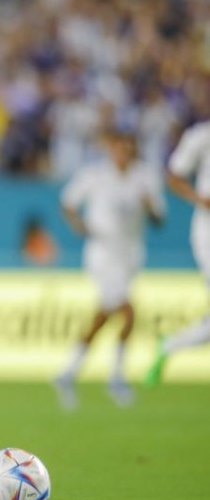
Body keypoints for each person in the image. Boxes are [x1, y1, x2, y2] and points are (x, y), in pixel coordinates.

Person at [53, 130, 165, 409]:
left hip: (130, 256)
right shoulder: (95, 175)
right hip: (102, 255)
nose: (122, 153)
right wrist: (80, 227)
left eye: (127, 148)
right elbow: (67, 202)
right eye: (117, 148)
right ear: (111, 149)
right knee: (128, 312)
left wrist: (150, 207)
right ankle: (116, 376)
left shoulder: (145, 177)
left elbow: (159, 219)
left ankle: (67, 372)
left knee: (103, 316)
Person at [145, 121, 210, 387]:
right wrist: (200, 199)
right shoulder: (201, 136)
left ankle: (170, 344)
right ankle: (170, 345)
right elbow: (173, 175)